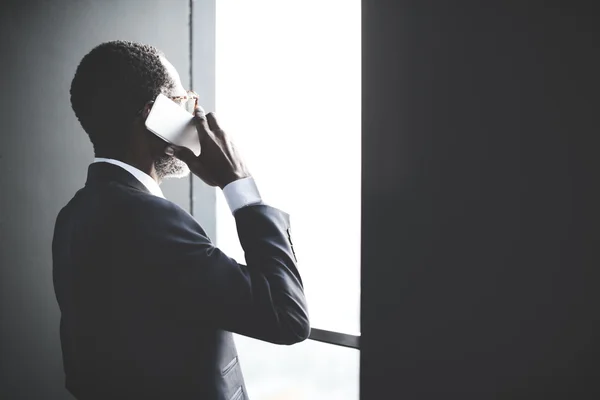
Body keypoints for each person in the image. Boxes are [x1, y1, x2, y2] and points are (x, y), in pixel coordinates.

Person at [52, 40, 310, 400]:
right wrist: (239, 184)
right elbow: (287, 317)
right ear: (153, 114)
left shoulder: (74, 215)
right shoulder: (148, 219)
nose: (194, 115)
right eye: (183, 101)